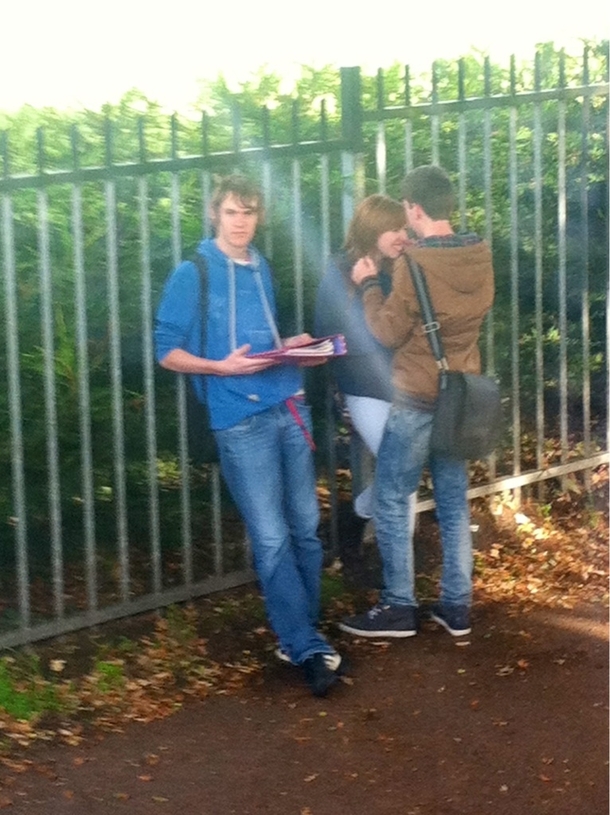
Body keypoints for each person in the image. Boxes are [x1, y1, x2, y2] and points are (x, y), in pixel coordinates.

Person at [154, 173, 346, 697]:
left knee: (305, 527)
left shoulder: (260, 266)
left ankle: (297, 635)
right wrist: (220, 368)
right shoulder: (192, 272)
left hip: (288, 405)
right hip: (239, 420)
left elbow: (263, 338)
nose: (242, 223)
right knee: (271, 535)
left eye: (251, 212)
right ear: (215, 213)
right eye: (233, 212)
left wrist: (295, 343)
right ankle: (306, 645)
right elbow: (165, 350)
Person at [339, 165, 495, 639]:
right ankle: (456, 606)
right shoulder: (480, 254)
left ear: (415, 208)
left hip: (416, 398)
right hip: (460, 396)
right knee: (452, 501)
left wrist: (368, 285)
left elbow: (387, 330)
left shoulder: (414, 264)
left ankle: (399, 607)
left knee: (389, 498)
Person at [314, 195, 413, 578]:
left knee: (399, 475)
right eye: (394, 228)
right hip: (364, 388)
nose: (402, 235)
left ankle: (349, 523)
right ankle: (396, 581)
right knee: (402, 482)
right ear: (373, 230)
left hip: (405, 385)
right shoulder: (342, 270)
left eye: (405, 227)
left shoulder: (403, 266)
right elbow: (327, 333)